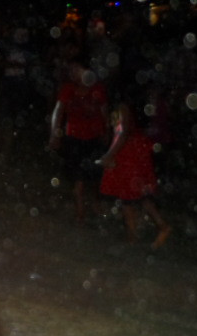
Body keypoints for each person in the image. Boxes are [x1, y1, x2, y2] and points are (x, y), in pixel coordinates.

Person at [97, 83, 171, 249]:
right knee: (138, 195)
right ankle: (155, 228)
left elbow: (122, 134)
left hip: (130, 152)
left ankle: (135, 235)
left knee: (128, 197)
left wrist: (109, 155)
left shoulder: (122, 107)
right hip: (135, 150)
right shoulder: (131, 107)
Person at [49, 59, 109, 225]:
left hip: (94, 138)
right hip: (74, 138)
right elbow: (58, 112)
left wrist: (107, 132)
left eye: (78, 70)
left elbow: (104, 112)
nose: (74, 74)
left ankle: (95, 205)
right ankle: (80, 212)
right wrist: (55, 134)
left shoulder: (97, 89)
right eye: (72, 71)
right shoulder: (68, 89)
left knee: (94, 177)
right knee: (77, 178)